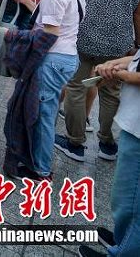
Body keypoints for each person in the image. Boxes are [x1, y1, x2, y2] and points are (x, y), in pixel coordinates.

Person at [57, 0, 140, 162]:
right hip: (119, 41)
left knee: (76, 88)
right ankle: (106, 142)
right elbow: (138, 12)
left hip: (81, 38)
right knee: (111, 90)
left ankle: (75, 143)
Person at [8, 0, 85, 181]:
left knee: (41, 115)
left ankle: (40, 169)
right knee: (44, 111)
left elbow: (49, 34)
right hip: (68, 55)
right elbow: (54, 23)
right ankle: (39, 163)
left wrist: (11, 35)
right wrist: (31, 5)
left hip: (52, 60)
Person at [77, 51, 140, 257]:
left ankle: (124, 251)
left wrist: (119, 73)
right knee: (125, 199)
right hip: (134, 126)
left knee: (131, 202)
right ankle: (124, 240)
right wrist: (117, 64)